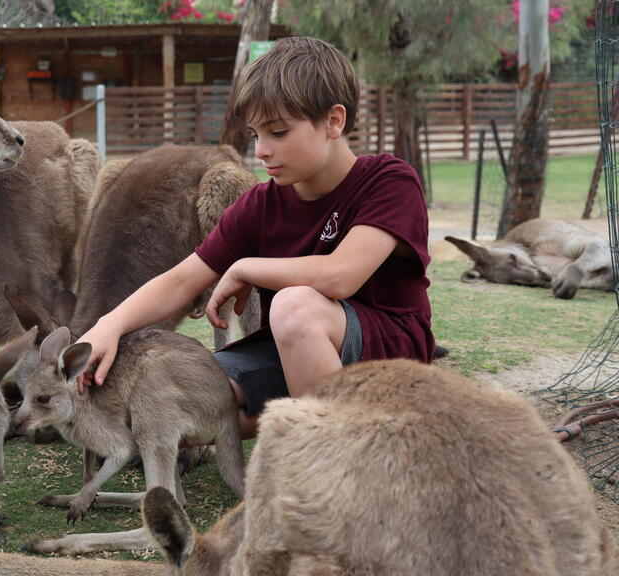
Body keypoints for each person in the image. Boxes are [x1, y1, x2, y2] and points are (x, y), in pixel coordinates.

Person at [76, 36, 435, 439]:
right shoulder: (261, 204)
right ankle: (313, 422)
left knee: (294, 306)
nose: (261, 150)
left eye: (278, 132)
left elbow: (340, 276)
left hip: (385, 354)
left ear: (334, 121)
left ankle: (335, 457)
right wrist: (109, 325)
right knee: (172, 399)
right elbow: (182, 280)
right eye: (256, 134)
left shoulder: (388, 181)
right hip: (289, 354)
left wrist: (246, 266)